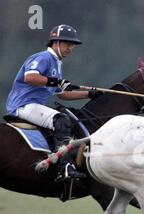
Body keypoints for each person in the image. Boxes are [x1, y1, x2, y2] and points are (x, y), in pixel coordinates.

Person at [6, 24, 102, 182]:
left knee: (65, 118)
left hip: (33, 106)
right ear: (55, 42)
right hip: (23, 104)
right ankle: (64, 167)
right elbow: (30, 77)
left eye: (72, 46)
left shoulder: (57, 64)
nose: (70, 48)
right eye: (67, 44)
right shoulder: (44, 58)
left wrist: (89, 94)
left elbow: (62, 94)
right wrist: (54, 81)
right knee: (61, 120)